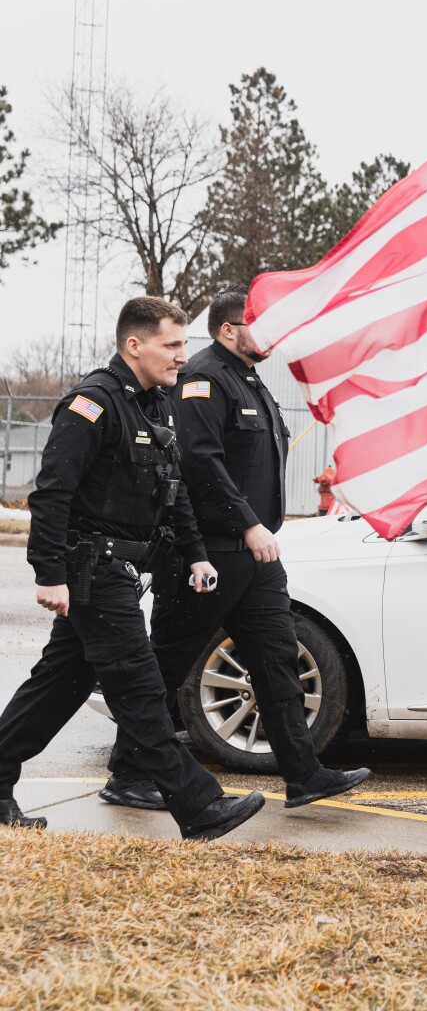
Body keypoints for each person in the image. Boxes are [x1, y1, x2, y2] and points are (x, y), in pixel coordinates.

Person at [0, 297, 265, 839]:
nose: (183, 357)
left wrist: (195, 554)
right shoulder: (93, 403)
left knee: (62, 682)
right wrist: (48, 573)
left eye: (184, 344)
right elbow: (51, 494)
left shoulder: (155, 403)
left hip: (119, 570)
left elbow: (175, 490)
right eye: (171, 345)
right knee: (140, 688)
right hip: (91, 570)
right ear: (134, 345)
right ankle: (199, 806)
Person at [100, 289, 370, 813]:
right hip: (209, 551)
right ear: (229, 330)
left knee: (276, 660)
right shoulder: (202, 378)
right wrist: (248, 524)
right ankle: (127, 773)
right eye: (260, 327)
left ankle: (303, 774)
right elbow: (200, 462)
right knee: (169, 665)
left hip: (256, 556)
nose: (270, 338)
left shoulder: (250, 381)